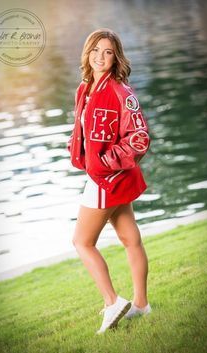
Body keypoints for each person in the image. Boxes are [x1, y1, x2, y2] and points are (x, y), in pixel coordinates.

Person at [67, 28, 151, 334]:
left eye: (108, 52)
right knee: (130, 239)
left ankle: (112, 301)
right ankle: (141, 305)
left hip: (107, 179)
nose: (101, 57)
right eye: (95, 51)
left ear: (117, 57)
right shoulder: (85, 88)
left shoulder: (121, 92)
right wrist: (76, 148)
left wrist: (104, 164)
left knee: (82, 241)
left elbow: (139, 139)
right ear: (87, 53)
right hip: (104, 176)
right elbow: (85, 129)